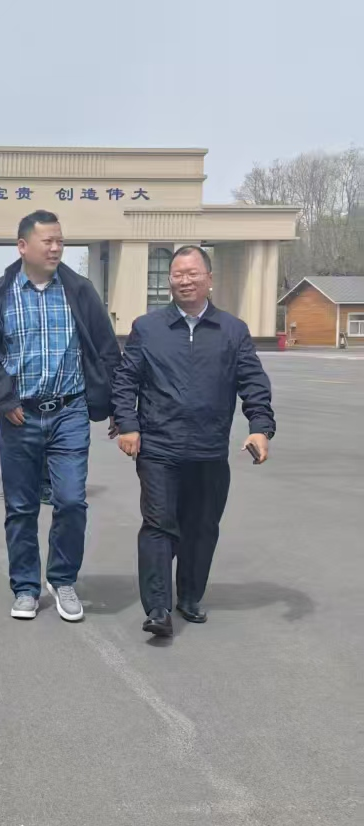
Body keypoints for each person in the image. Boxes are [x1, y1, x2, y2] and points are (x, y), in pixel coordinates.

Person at [0, 210, 120, 623]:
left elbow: (106, 350)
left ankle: (62, 579)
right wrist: (4, 398)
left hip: (69, 411)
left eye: (60, 241)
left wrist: (116, 406)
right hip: (20, 417)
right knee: (21, 506)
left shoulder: (79, 291)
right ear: (23, 246)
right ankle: (26, 587)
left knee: (71, 501)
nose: (55, 248)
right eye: (47, 241)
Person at [111, 246, 275, 638]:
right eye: (177, 274)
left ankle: (189, 596)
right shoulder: (148, 328)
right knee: (158, 525)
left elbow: (253, 382)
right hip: (159, 448)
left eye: (192, 273)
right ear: (170, 281)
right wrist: (128, 424)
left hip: (209, 449)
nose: (185, 281)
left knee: (201, 528)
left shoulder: (232, 331)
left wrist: (260, 427)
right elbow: (126, 380)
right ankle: (158, 608)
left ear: (209, 279)